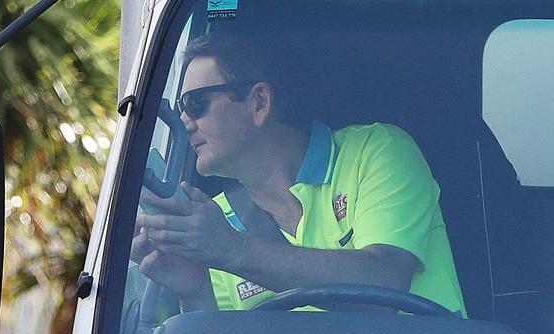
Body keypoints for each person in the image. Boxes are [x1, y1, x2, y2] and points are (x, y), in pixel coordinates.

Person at [132, 31, 466, 315]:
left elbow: (385, 280)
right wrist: (194, 291)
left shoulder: (378, 150)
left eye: (196, 103)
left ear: (260, 102)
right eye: (180, 108)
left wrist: (233, 249)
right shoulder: (212, 221)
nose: (185, 122)